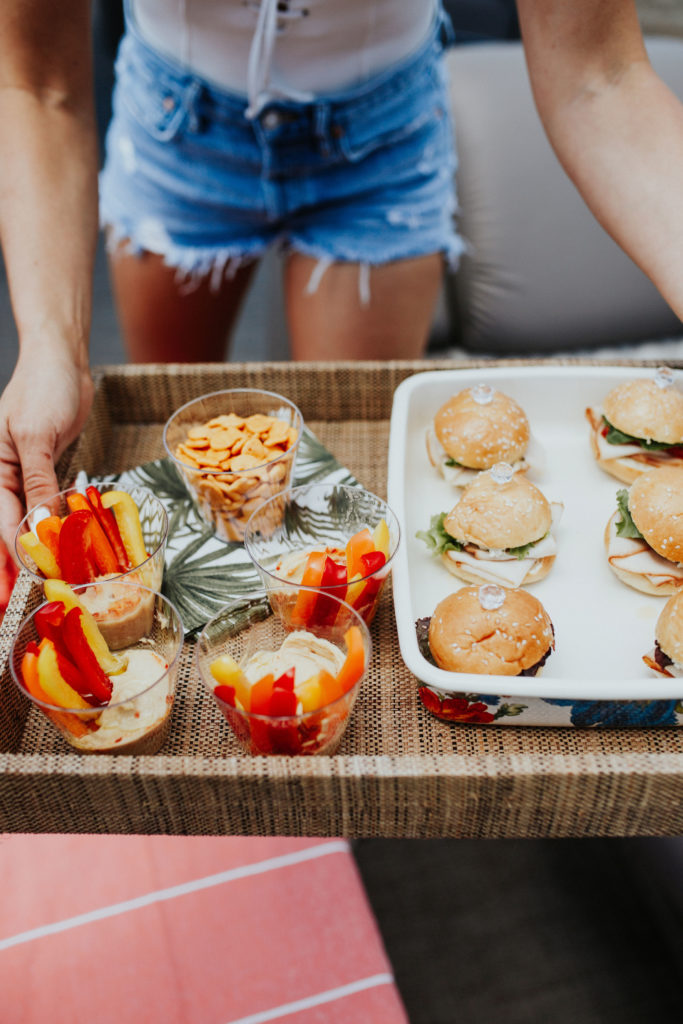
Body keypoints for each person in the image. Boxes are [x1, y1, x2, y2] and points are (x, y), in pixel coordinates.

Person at [0, 0, 682, 554]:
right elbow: (37, 82)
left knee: (341, 487)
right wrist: (49, 349)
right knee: (187, 470)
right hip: (178, 121)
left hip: (379, 136)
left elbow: (601, 78)